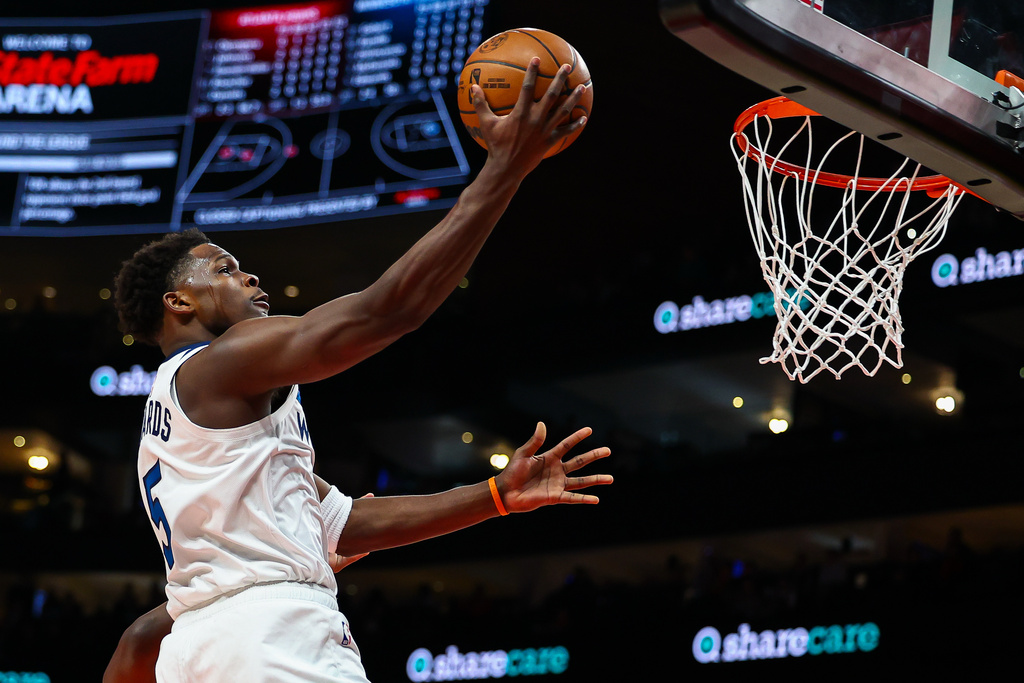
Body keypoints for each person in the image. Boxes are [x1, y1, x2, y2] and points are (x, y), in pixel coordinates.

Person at [109, 59, 610, 682]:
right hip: (271, 640)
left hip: (206, 647)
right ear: (177, 303)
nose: (249, 276)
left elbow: (348, 523)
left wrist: (495, 498)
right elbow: (386, 311)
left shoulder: (182, 427)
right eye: (223, 267)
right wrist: (505, 169)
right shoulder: (221, 365)